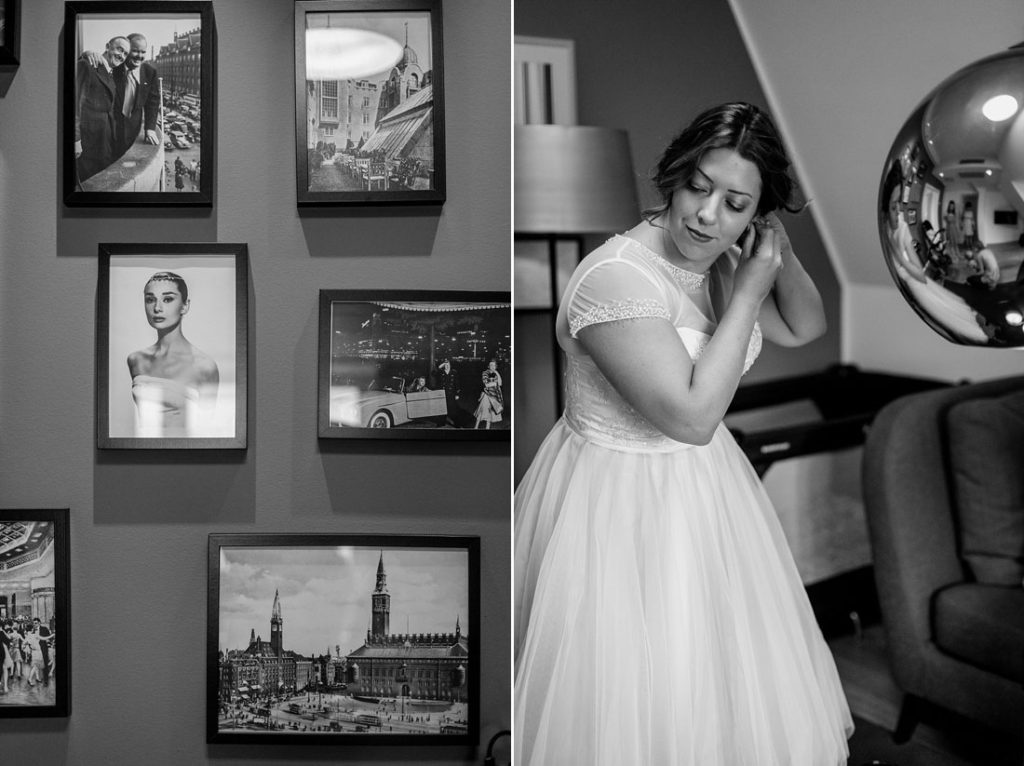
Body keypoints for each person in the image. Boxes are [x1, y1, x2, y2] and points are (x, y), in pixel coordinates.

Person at [514, 102, 853, 765]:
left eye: (734, 203)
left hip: (704, 496)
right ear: (673, 175)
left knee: (715, 687)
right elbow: (694, 417)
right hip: (616, 507)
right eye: (699, 187)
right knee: (634, 697)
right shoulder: (617, 280)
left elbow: (806, 326)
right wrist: (750, 293)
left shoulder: (718, 263)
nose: (706, 216)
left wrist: (772, 247)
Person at [127, 272, 219, 437]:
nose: (157, 308)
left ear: (185, 306)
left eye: (167, 299)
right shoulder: (136, 360)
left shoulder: (204, 366)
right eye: (150, 299)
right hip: (144, 456)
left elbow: (209, 431)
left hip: (187, 457)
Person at [74, 36, 130, 183]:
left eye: (125, 53)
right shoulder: (87, 65)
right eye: (119, 49)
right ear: (107, 46)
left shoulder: (110, 72)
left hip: (104, 141)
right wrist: (75, 139)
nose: (121, 56)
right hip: (88, 143)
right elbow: (75, 104)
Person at [473, 360, 504, 429]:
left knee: (491, 413)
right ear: (488, 366)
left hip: (494, 396)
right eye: (491, 365)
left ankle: (487, 429)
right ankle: (475, 428)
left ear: (496, 366)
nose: (492, 367)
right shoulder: (485, 373)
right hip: (486, 395)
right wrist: (495, 384)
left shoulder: (496, 373)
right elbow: (486, 384)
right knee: (482, 412)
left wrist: (497, 373)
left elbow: (500, 383)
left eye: (494, 365)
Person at [433, 359, 462, 427]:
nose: (446, 366)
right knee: (442, 408)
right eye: (445, 365)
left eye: (448, 365)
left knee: (453, 409)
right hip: (443, 393)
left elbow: (457, 383)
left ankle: (457, 424)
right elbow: (433, 373)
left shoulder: (454, 372)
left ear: (450, 365)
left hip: (451, 393)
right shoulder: (441, 372)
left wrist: (457, 394)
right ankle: (441, 423)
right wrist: (441, 365)